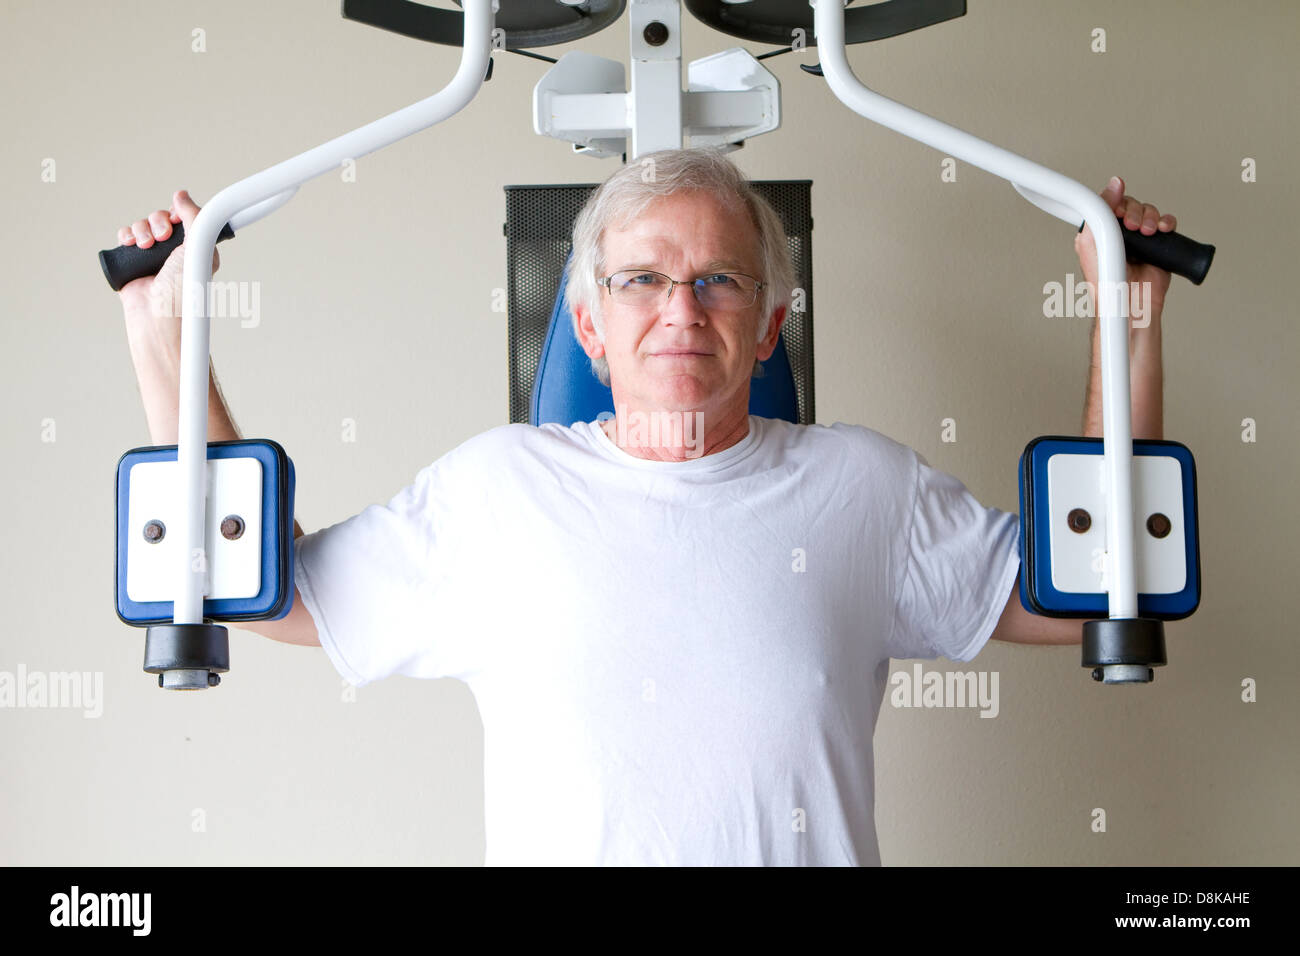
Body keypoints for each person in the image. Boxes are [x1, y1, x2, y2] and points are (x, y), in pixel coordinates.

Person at [115, 147, 1177, 865]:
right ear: (586, 322)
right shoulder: (496, 492)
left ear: (767, 328)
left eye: (720, 280)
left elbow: (1093, 591)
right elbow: (257, 584)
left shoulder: (865, 488)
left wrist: (1123, 311)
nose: (681, 309)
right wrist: (165, 336)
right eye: (641, 281)